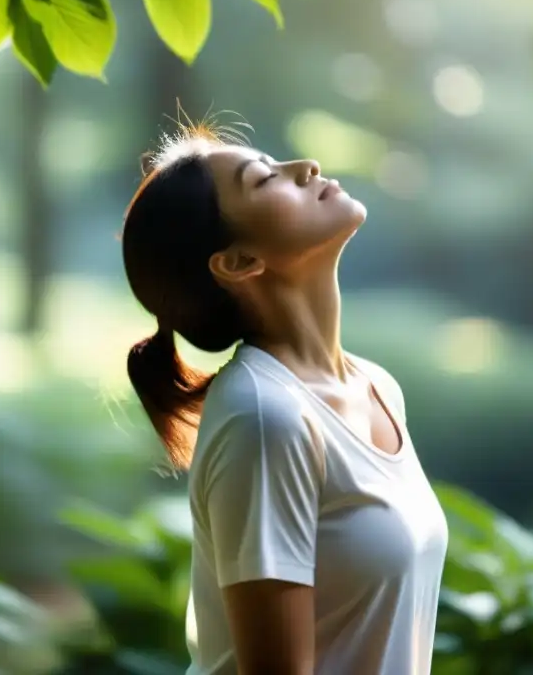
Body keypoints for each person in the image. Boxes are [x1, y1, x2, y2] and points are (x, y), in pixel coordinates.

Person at [121, 120, 449, 675]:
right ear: (238, 262)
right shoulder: (264, 416)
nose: (305, 169)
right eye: (264, 179)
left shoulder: (377, 388)